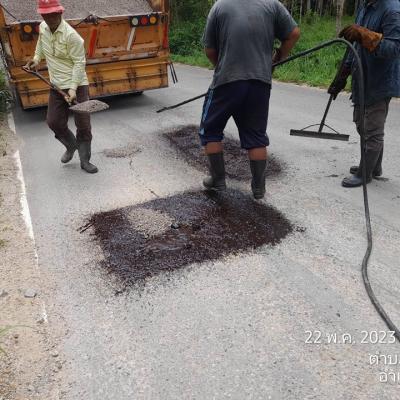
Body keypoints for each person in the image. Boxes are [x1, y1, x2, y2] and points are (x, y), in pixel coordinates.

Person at [199, 0, 300, 199]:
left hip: (226, 82)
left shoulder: (220, 6)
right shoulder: (272, 4)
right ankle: (258, 188)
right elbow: (294, 33)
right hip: (260, 82)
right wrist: (278, 57)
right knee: (256, 136)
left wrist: (222, 67)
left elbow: (210, 49)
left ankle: (218, 180)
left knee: (210, 130)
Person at [329, 0, 400, 187]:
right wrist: (342, 75)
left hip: (380, 81)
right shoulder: (364, 7)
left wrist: (365, 35)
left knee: (372, 129)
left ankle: (365, 173)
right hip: (362, 77)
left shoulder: (392, 9)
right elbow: (354, 46)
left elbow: (394, 49)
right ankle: (374, 166)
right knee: (361, 124)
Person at [25, 0, 98, 174]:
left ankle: (85, 160)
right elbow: (41, 45)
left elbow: (79, 63)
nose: (49, 18)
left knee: (83, 124)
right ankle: (71, 145)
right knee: (54, 122)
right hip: (56, 84)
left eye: (52, 14)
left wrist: (72, 89)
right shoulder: (43, 27)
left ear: (60, 13)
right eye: (45, 15)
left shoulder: (72, 36)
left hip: (77, 85)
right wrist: (36, 59)